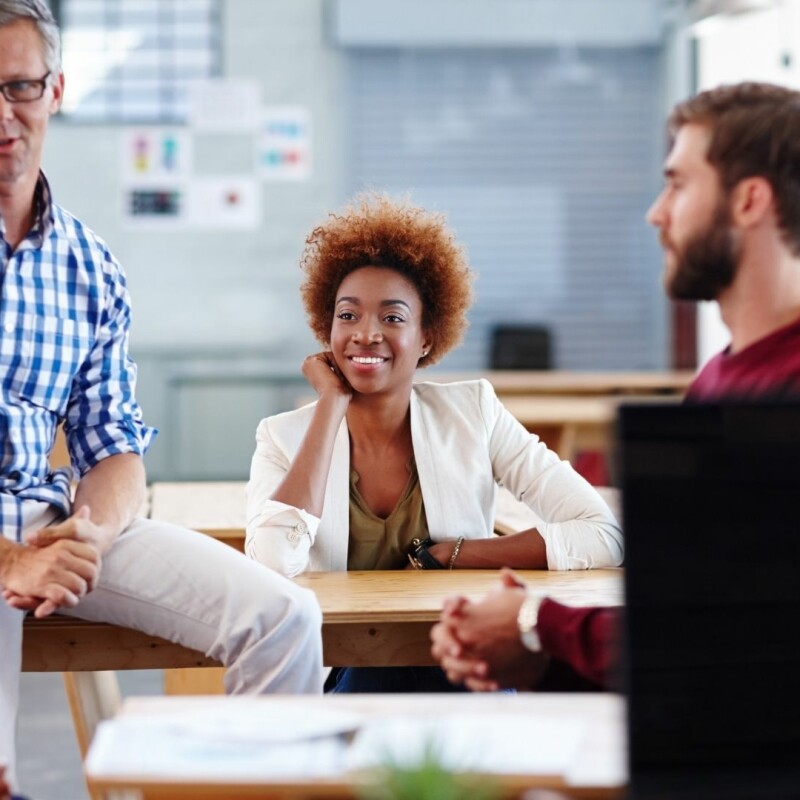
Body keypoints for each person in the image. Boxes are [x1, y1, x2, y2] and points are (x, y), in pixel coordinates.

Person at [0, 1, 323, 792]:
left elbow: (114, 450)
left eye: (19, 87)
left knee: (284, 618)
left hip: (51, 523)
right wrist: (9, 562)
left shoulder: (88, 266)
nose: (2, 115)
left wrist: (88, 538)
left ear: (57, 91)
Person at [430, 80, 800, 691]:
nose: (657, 213)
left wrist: (535, 626)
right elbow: (692, 615)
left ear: (749, 201)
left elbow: (735, 642)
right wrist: (534, 647)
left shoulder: (782, 391)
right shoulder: (720, 379)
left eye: (678, 184)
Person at [245, 193, 623, 692]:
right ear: (326, 326)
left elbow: (604, 536)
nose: (366, 334)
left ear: (427, 337)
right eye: (348, 315)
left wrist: (460, 553)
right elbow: (272, 564)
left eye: (393, 317)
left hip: (464, 663)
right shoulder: (282, 436)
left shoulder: (473, 413)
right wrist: (329, 407)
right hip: (349, 669)